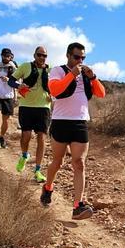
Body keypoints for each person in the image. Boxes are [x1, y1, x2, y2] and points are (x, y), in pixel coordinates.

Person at [40, 42, 106, 220]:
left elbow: (101, 94)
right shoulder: (57, 71)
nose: (80, 61)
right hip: (61, 122)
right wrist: (72, 75)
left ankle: (78, 205)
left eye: (83, 58)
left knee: (79, 163)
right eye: (77, 57)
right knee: (58, 162)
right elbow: (54, 90)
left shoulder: (85, 75)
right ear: (68, 55)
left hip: (80, 122)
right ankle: (48, 187)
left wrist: (93, 78)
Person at [8, 46, 51, 182]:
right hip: (26, 106)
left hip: (44, 107)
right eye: (39, 55)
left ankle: (38, 171)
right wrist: (18, 86)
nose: (42, 58)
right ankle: (25, 155)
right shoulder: (25, 66)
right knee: (26, 136)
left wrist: (53, 95)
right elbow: (11, 80)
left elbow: (58, 85)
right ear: (34, 55)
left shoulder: (50, 70)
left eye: (44, 56)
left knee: (41, 138)